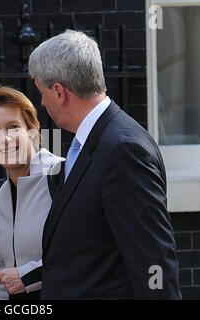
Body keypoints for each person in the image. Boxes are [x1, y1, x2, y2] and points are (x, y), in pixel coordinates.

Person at [28, 30, 182, 299]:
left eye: (41, 93)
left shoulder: (123, 149)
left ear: (59, 92)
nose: (41, 102)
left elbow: (152, 257)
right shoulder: (91, 141)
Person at [0, 85, 64, 300]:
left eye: (12, 127)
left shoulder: (62, 176)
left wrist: (28, 277)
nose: (5, 139)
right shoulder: (2, 196)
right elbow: (3, 278)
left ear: (32, 130)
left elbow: (87, 255)